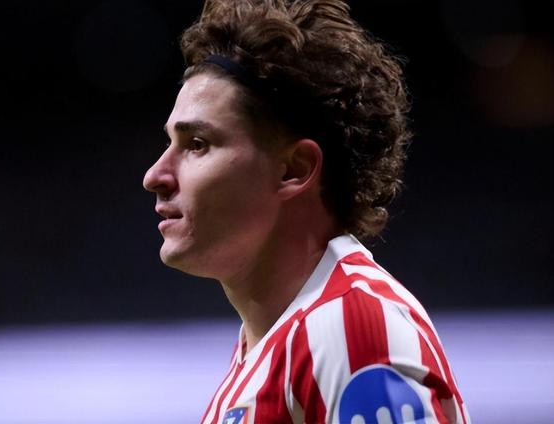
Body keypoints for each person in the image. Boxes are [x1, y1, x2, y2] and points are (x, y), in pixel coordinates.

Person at [143, 0, 470, 422]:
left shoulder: (351, 328)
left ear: (293, 170)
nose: (155, 175)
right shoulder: (273, 348)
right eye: (170, 143)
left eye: (197, 145)